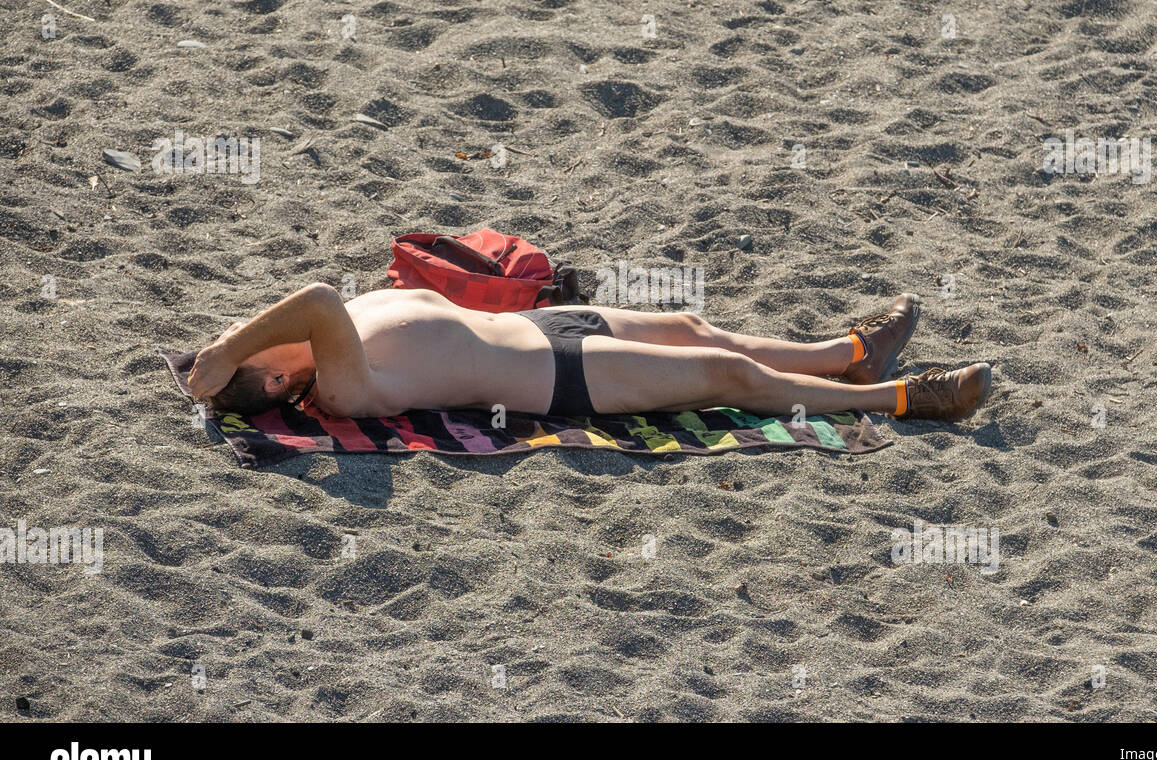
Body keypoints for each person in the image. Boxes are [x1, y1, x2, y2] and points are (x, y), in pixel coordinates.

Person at [187, 283, 991, 422]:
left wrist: (228, 354)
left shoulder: (329, 334)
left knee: (702, 332)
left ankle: (849, 352)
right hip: (558, 378)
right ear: (268, 372)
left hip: (551, 329)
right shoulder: (343, 384)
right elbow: (319, 305)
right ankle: (899, 398)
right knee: (729, 379)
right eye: (252, 345)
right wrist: (223, 353)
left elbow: (319, 304)